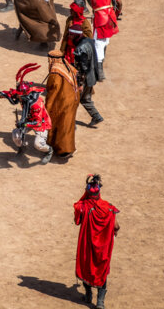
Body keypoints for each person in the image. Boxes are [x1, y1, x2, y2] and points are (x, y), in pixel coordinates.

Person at [0, 63, 54, 163]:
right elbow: (3, 94)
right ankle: (22, 148)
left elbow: (38, 122)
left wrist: (23, 124)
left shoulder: (36, 104)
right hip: (27, 120)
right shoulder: (21, 95)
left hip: (41, 123)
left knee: (38, 144)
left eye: (19, 96)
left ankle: (49, 151)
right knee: (16, 134)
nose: (17, 97)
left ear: (25, 94)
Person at [74, 174, 120, 309]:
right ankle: (100, 302)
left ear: (87, 191)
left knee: (87, 265)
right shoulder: (109, 207)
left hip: (87, 245)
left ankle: (88, 295)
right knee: (101, 269)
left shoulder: (83, 206)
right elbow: (116, 226)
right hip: (104, 246)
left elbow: (77, 219)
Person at [77, 0, 121, 80]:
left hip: (101, 18)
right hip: (111, 17)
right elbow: (119, 3)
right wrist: (117, 14)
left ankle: (99, 72)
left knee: (98, 43)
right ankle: (100, 64)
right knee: (105, 41)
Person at [46, 50, 80, 158]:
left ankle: (65, 149)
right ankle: (64, 147)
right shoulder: (66, 65)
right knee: (68, 124)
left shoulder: (56, 70)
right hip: (73, 98)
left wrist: (48, 105)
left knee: (63, 124)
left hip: (64, 101)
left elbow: (53, 88)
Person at [72, 30, 104, 126]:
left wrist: (80, 84)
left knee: (77, 99)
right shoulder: (89, 41)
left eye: (70, 35)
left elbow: (82, 68)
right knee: (86, 98)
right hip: (92, 74)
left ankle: (70, 120)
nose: (69, 37)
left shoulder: (80, 49)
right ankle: (96, 116)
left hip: (85, 78)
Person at [59, 0, 93, 64]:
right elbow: (65, 36)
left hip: (79, 52)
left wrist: (77, 33)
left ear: (77, 11)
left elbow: (89, 39)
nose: (70, 11)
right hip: (68, 51)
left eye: (73, 10)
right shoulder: (70, 20)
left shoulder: (85, 22)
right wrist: (62, 51)